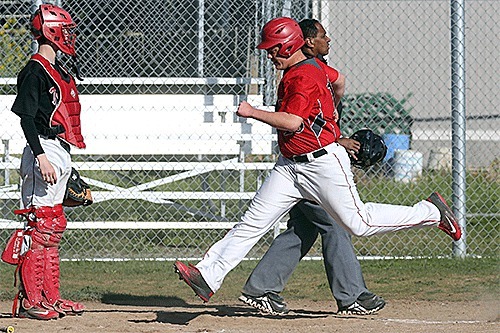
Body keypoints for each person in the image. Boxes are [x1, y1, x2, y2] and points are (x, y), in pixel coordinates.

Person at [174, 17, 461, 311]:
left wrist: (252, 112)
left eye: (273, 49)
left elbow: (293, 122)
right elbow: (337, 81)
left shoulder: (303, 76)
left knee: (358, 223)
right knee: (252, 223)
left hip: (321, 163)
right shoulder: (309, 68)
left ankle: (430, 212)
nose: (270, 55)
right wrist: (331, 113)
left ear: (288, 46)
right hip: (289, 166)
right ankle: (208, 275)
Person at [238, 18, 385, 316]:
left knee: (303, 229)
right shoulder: (300, 72)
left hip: (314, 161)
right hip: (304, 166)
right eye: (320, 36)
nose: (327, 39)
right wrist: (334, 143)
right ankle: (351, 295)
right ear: (305, 42)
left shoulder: (317, 68)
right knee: (335, 225)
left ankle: (262, 288)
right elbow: (297, 123)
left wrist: (334, 135)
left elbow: (338, 84)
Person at [4, 4, 86, 320]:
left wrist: (65, 161)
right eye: (64, 30)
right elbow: (26, 118)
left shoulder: (59, 72)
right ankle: (30, 301)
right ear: (51, 31)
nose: (69, 36)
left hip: (59, 150)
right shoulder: (35, 70)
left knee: (53, 226)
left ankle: (50, 297)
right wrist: (40, 156)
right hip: (42, 150)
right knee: (39, 226)